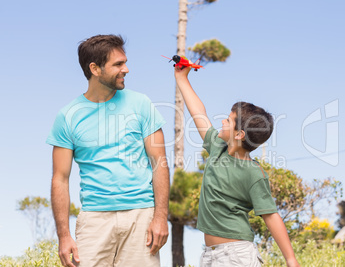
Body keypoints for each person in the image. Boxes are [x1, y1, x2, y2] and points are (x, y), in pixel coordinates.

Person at [47, 34, 170, 267]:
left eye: (125, 62)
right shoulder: (67, 117)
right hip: (94, 220)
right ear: (95, 68)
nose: (126, 69)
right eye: (118, 64)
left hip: (141, 216)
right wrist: (64, 236)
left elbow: (159, 162)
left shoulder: (141, 104)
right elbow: (60, 179)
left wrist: (160, 218)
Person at [174, 64, 300, 266]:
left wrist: (291, 259)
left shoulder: (253, 173)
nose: (223, 121)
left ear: (239, 134)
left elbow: (271, 215)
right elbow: (199, 112)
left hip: (236, 256)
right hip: (210, 255)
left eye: (229, 120)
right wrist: (182, 79)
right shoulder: (217, 147)